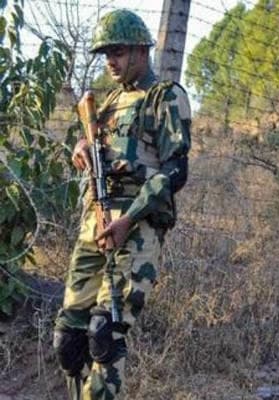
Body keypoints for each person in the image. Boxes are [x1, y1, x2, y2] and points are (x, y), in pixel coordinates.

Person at [52, 9, 191, 399]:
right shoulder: (111, 100)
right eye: (106, 54)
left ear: (140, 51)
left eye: (118, 52)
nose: (110, 61)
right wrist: (82, 147)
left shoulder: (164, 96)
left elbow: (176, 171)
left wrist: (128, 219)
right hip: (95, 225)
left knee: (104, 334)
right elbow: (99, 147)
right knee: (68, 339)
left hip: (135, 227)